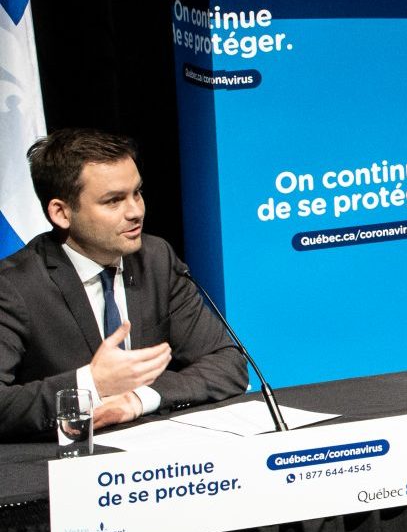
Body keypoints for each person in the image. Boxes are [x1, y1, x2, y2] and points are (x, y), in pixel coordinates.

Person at [0, 129, 248, 441]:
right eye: (114, 200)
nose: (136, 212)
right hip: (60, 464)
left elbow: (227, 364)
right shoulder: (14, 286)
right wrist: (90, 384)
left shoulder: (156, 259)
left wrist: (139, 399)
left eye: (137, 193)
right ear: (61, 213)